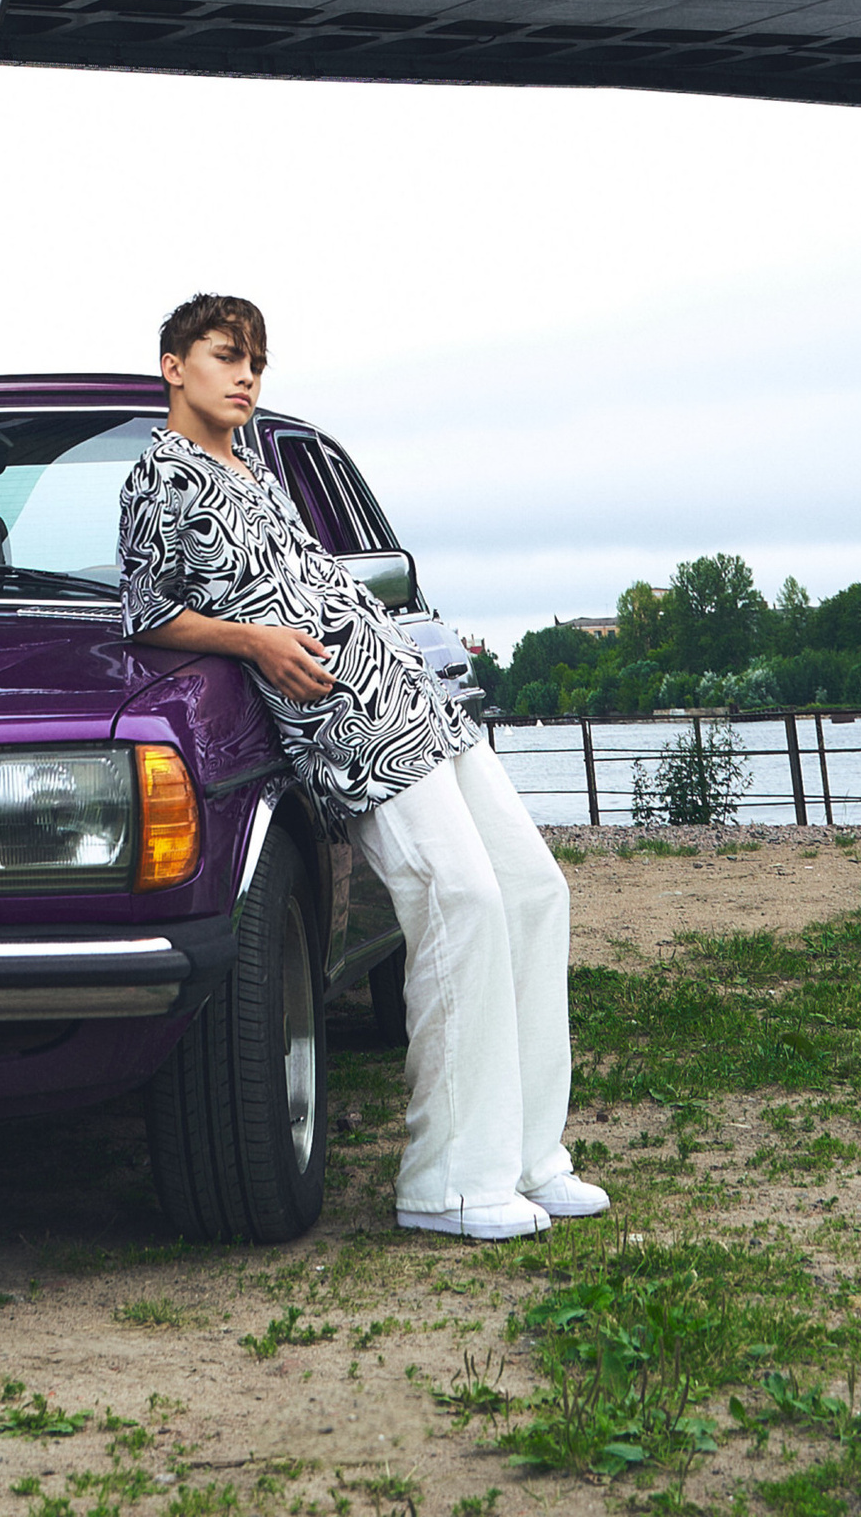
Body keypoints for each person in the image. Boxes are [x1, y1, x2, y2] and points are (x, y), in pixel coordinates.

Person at [117, 290, 607, 1244]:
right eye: (227, 356)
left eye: (256, 359)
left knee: (534, 891)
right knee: (458, 904)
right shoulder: (157, 477)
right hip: (343, 718)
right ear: (175, 366)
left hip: (410, 691)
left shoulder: (252, 459)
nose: (248, 375)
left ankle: (529, 1158)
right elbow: (149, 614)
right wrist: (256, 644)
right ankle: (448, 1184)